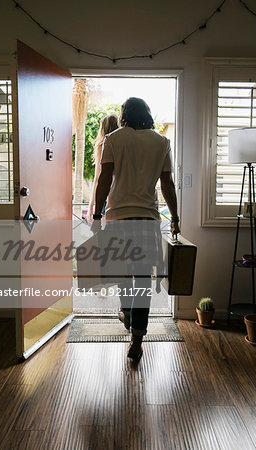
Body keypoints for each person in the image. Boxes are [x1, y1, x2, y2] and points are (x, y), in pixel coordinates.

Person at [91, 97, 180, 360]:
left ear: (124, 115)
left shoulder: (114, 139)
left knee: (122, 275)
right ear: (147, 115)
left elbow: (104, 179)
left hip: (118, 218)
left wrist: (97, 216)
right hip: (147, 219)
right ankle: (137, 339)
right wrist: (175, 217)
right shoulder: (161, 142)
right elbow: (168, 184)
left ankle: (127, 314)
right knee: (141, 280)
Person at [87, 114, 118, 221]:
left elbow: (98, 178)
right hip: (119, 195)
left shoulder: (102, 146)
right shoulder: (122, 144)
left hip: (105, 196)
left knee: (105, 234)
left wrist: (91, 206)